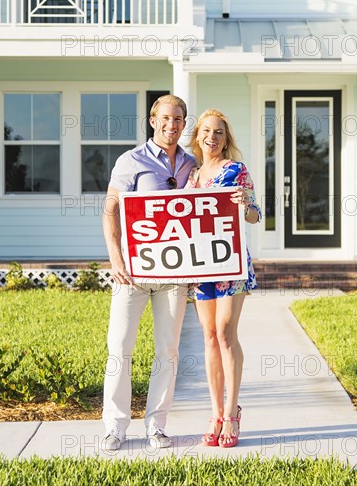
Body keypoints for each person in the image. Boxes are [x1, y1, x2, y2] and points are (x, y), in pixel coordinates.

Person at [101, 94, 196, 451]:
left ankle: (156, 426)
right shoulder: (132, 161)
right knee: (119, 348)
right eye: (166, 118)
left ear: (184, 124)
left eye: (179, 119)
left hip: (175, 275)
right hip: (133, 273)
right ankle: (115, 427)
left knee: (168, 351)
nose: (172, 125)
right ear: (153, 121)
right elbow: (110, 211)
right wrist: (115, 259)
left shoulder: (192, 164)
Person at [186, 108, 261, 448]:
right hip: (202, 266)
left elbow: (256, 215)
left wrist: (244, 204)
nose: (211, 137)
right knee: (210, 336)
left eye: (218, 132)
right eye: (206, 131)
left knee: (227, 334)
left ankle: (232, 413)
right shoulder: (192, 177)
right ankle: (215, 414)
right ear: (197, 136)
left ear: (225, 138)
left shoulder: (236, 170)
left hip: (231, 264)